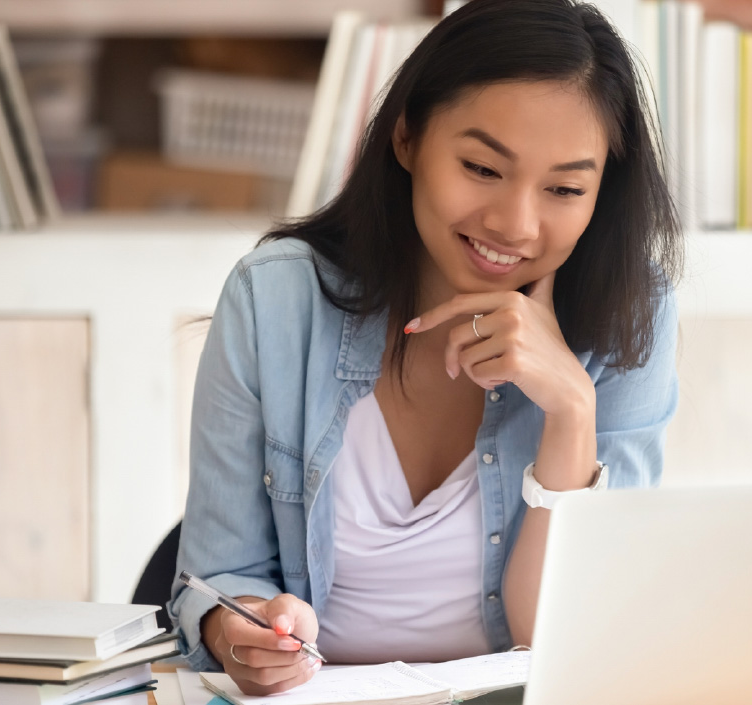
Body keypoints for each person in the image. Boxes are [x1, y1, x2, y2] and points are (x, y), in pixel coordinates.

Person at [168, 0, 682, 695]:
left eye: (564, 187)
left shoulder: (629, 313)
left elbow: (564, 637)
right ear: (406, 138)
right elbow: (217, 575)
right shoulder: (277, 299)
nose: (515, 223)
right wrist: (247, 631)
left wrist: (570, 410)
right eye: (480, 167)